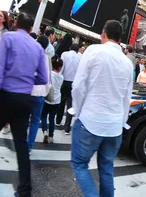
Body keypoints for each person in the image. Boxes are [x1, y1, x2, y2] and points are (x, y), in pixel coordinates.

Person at [71, 20, 133, 197]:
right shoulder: (127, 63)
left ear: (104, 34)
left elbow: (78, 87)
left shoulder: (93, 51)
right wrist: (120, 123)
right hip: (114, 127)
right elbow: (126, 98)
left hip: (90, 120)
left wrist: (78, 111)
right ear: (120, 39)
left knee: (79, 164)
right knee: (106, 168)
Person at [0, 13, 49, 196]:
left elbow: (0, 67)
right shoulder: (37, 48)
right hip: (24, 99)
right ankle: (25, 189)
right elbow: (43, 78)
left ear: (15, 25)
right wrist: (27, 79)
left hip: (5, 95)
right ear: (30, 30)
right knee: (21, 144)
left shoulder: (8, 38)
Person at [27, 35, 52, 151]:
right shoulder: (47, 58)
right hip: (40, 93)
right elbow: (48, 78)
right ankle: (29, 146)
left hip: (28, 91)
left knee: (23, 118)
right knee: (35, 121)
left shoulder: (30, 53)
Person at [57, 43, 80, 135]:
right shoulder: (80, 58)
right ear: (77, 50)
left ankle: (58, 120)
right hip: (73, 83)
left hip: (64, 80)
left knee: (61, 102)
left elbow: (61, 68)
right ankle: (67, 128)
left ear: (70, 48)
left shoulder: (65, 54)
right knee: (70, 105)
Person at [42, 56, 64, 144]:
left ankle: (45, 131)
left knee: (43, 116)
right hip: (57, 100)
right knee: (52, 118)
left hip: (48, 99)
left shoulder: (50, 74)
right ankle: (51, 136)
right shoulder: (61, 77)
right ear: (59, 67)